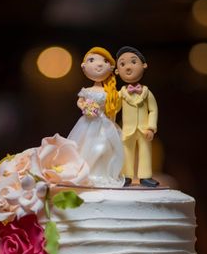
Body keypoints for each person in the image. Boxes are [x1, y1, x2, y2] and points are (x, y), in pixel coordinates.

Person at [68, 47, 125, 187]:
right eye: (92, 60)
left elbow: (114, 108)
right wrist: (85, 107)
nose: (99, 64)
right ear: (83, 66)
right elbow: (80, 101)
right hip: (87, 122)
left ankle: (101, 173)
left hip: (104, 124)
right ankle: (84, 172)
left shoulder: (111, 92)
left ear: (111, 67)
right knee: (83, 145)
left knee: (104, 147)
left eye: (105, 61)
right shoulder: (87, 91)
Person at [115, 46, 159, 187]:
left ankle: (145, 176)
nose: (128, 67)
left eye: (133, 62)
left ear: (144, 65)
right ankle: (126, 176)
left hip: (144, 129)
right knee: (126, 152)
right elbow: (114, 109)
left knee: (145, 152)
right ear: (117, 71)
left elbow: (153, 110)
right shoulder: (121, 94)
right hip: (127, 130)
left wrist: (151, 127)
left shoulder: (146, 93)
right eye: (122, 64)